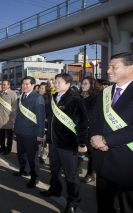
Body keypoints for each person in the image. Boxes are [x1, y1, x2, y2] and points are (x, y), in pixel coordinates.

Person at [90, 52, 133, 213]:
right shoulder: (105, 93)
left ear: (130, 68)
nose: (109, 71)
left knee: (130, 207)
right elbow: (94, 120)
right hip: (103, 161)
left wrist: (106, 140)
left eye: (114, 66)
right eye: (108, 66)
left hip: (130, 162)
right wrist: (95, 139)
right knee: (104, 205)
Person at [40, 73, 88, 213]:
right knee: (54, 170)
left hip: (68, 144)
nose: (56, 84)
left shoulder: (75, 100)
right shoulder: (54, 98)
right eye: (55, 82)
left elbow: (82, 124)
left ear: (68, 84)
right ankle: (55, 189)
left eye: (59, 82)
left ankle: (72, 201)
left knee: (70, 175)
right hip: (54, 142)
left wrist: (82, 143)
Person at [13, 76, 46, 189]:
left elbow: (41, 117)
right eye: (23, 84)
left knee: (33, 158)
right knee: (21, 154)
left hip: (31, 133)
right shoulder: (21, 96)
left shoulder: (37, 98)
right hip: (20, 131)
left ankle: (34, 178)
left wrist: (40, 134)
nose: (24, 86)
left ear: (33, 85)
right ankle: (24, 170)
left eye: (27, 84)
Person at [78, 76, 100, 183]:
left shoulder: (96, 98)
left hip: (91, 128)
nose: (83, 85)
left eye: (86, 83)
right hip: (79, 128)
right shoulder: (79, 96)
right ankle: (78, 167)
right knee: (79, 148)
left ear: (92, 85)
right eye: (82, 83)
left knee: (91, 152)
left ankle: (91, 174)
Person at [0, 80, 17, 155]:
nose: (3, 86)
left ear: (9, 85)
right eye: (2, 85)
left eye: (4, 85)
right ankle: (2, 147)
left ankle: (8, 149)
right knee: (0, 135)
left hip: (8, 118)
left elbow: (15, 107)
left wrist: (13, 116)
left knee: (9, 136)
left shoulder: (13, 94)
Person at [38, 82, 51, 164]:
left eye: (42, 88)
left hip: (45, 123)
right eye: (40, 88)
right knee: (38, 140)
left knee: (45, 142)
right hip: (37, 122)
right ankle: (39, 154)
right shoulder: (37, 97)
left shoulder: (49, 99)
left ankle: (44, 156)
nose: (40, 89)